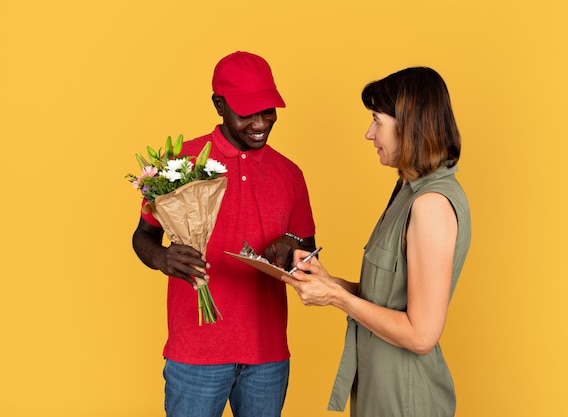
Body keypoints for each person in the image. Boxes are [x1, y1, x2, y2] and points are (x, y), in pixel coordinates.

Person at [132, 51, 316, 417]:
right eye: (247, 112)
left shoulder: (289, 174)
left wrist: (293, 248)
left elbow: (309, 252)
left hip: (267, 355)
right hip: (195, 354)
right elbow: (142, 237)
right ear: (218, 104)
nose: (260, 123)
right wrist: (163, 258)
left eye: (268, 111)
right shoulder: (180, 163)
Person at [282, 67, 471, 417]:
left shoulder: (431, 205)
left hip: (406, 400)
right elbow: (390, 298)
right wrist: (328, 283)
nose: (369, 134)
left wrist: (336, 298)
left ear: (409, 125)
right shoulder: (407, 190)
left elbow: (421, 335)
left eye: (377, 121)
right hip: (379, 389)